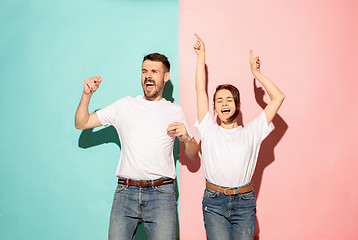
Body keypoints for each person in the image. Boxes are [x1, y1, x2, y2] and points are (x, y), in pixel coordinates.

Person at [75, 53, 199, 240]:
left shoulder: (175, 111)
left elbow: (193, 155)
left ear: (166, 77)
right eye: (144, 71)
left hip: (162, 194)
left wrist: (187, 139)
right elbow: (81, 123)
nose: (148, 75)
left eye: (154, 71)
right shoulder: (124, 106)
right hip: (126, 193)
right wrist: (87, 95)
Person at [193, 34, 285, 240]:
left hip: (244, 202)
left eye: (229, 100)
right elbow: (200, 90)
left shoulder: (252, 132)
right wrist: (201, 56)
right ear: (214, 108)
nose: (224, 104)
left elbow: (278, 97)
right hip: (214, 201)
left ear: (238, 105)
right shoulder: (208, 129)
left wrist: (256, 73)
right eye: (219, 101)